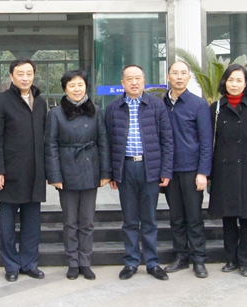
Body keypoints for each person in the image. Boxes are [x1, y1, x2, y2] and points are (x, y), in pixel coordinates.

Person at [105, 64, 173, 281]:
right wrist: (112, 172)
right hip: (125, 168)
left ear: (144, 81)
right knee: (130, 220)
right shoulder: (113, 108)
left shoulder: (156, 105)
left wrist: (166, 170)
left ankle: (153, 263)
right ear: (122, 83)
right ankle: (131, 262)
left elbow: (167, 139)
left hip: (149, 167)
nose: (134, 82)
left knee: (149, 219)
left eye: (138, 78)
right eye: (129, 79)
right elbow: (107, 142)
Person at [45, 69, 111, 280]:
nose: (76, 89)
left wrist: (105, 172)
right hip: (67, 171)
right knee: (70, 221)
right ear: (65, 89)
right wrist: (55, 175)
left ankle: (85, 261)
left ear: (86, 87)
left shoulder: (96, 111)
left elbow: (103, 142)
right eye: (72, 85)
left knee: (87, 221)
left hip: (90, 169)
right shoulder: (55, 113)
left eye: (80, 85)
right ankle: (72, 262)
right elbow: (51, 145)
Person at [0, 58, 48, 282]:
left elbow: (44, 137)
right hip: (9, 173)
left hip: (35, 172)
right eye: (20, 73)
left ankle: (30, 263)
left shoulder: (40, 102)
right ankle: (11, 265)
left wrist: (47, 170)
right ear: (11, 76)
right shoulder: (0, 102)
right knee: (7, 225)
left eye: (29, 73)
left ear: (34, 75)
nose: (25, 78)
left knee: (32, 223)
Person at [208, 64, 247, 278]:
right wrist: (208, 172)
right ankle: (230, 259)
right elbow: (209, 142)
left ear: (246, 84)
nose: (234, 84)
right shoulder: (216, 108)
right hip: (223, 170)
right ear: (225, 82)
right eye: (231, 80)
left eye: (239, 80)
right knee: (228, 218)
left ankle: (246, 261)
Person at [162, 60, 212, 279]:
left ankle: (199, 259)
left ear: (189, 78)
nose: (179, 77)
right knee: (176, 217)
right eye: (175, 73)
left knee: (194, 217)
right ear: (168, 77)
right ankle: (181, 256)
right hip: (169, 170)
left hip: (192, 170)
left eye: (183, 73)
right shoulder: (160, 103)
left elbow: (206, 141)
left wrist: (203, 172)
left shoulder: (198, 105)